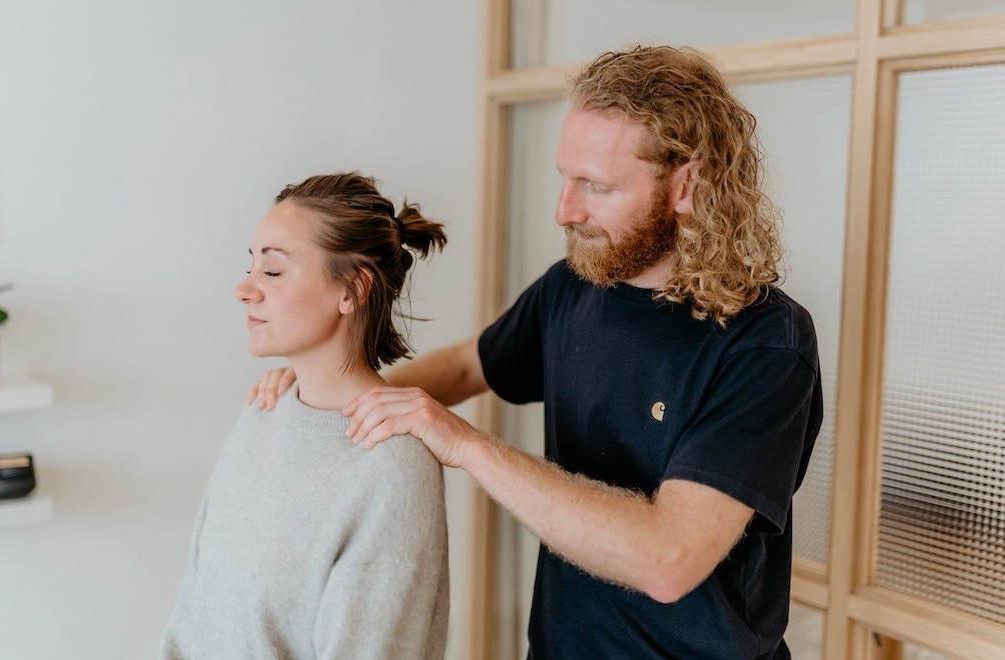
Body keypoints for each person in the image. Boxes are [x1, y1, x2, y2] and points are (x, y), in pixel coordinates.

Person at [254, 45, 822, 659]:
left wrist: (467, 445)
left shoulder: (766, 345)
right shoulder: (572, 289)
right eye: (564, 178)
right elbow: (472, 365)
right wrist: (326, 398)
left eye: (595, 186)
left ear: (685, 184)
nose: (564, 210)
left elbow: (669, 558)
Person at [161, 172, 450, 659]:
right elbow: (195, 608)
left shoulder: (394, 469)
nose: (244, 288)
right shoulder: (263, 412)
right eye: (250, 265)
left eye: (272, 272)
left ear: (352, 290)